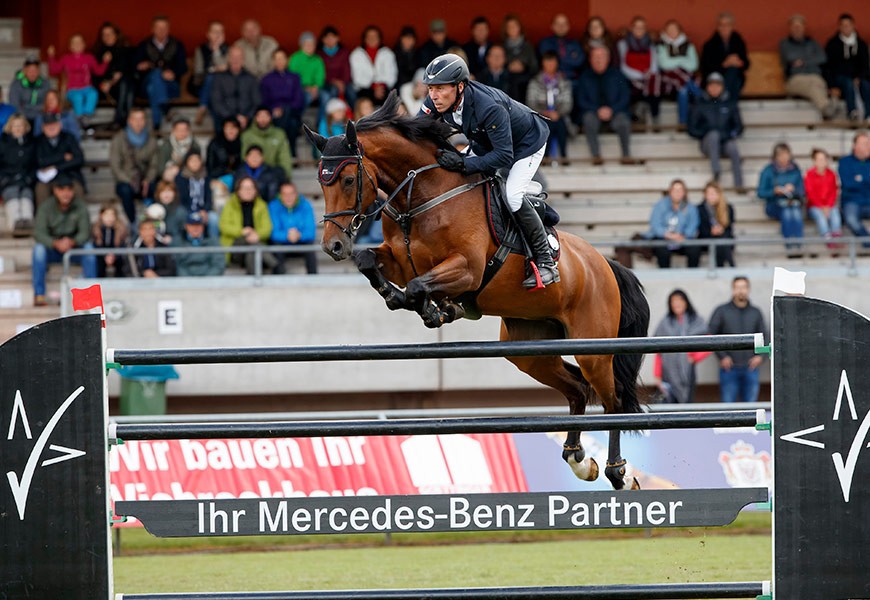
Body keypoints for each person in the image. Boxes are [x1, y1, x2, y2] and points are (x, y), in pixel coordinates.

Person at [418, 53, 557, 287]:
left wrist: (463, 163)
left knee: (512, 196)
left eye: (441, 89)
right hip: (487, 143)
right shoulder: (435, 101)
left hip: (526, 145)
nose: (434, 95)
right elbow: (417, 131)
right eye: (431, 88)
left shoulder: (488, 106)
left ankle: (546, 261)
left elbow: (504, 156)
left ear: (459, 86)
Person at [31, 174, 96, 305]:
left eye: (68, 190)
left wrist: (72, 241)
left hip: (73, 249)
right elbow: (38, 233)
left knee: (89, 249)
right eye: (62, 190)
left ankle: (90, 295)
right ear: (55, 191)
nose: (65, 193)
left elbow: (85, 233)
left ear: (73, 191)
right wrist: (55, 243)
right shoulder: (46, 207)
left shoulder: (81, 206)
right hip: (53, 249)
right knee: (38, 250)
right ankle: (39, 294)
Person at [708, 276, 767, 403]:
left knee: (751, 410)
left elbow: (765, 336)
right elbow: (711, 335)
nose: (741, 291)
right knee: (728, 410)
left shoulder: (756, 312)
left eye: (744, 287)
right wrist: (722, 356)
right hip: (729, 369)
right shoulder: (721, 311)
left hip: (751, 368)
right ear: (733, 290)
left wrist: (761, 357)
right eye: (738, 287)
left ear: (749, 289)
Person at [577, 45, 635, 166]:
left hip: (615, 112)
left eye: (601, 57)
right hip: (594, 113)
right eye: (595, 57)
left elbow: (625, 97)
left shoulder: (617, 75)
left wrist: (612, 110)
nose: (598, 60)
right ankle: (596, 155)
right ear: (590, 59)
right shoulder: (584, 77)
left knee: (624, 121)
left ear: (608, 59)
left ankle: (626, 155)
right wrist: (597, 110)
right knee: (588, 119)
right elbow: (581, 100)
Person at [688, 72, 745, 193]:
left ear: (722, 87)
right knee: (714, 135)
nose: (714, 88)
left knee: (733, 147)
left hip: (724, 141)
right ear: (707, 87)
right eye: (711, 85)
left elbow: (739, 127)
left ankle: (739, 184)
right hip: (707, 143)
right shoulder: (700, 103)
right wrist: (704, 133)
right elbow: (692, 128)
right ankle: (716, 172)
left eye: (717, 85)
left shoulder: (730, 103)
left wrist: (729, 135)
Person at [653, 290, 708, 403]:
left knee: (686, 406)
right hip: (667, 373)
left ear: (686, 302)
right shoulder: (664, 323)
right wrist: (657, 375)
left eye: (680, 300)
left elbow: (709, 342)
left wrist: (695, 358)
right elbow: (658, 350)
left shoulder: (696, 321)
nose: (677, 303)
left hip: (687, 372)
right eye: (673, 301)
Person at [135, 15, 187, 130]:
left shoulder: (177, 45)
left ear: (168, 29)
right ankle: (164, 108)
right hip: (145, 86)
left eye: (164, 28)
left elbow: (183, 67)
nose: (161, 31)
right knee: (156, 75)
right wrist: (143, 65)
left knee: (153, 88)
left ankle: (157, 123)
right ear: (152, 29)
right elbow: (135, 66)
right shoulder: (144, 45)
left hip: (171, 87)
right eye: (158, 28)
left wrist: (173, 73)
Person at [780, 15, 836, 120]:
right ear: (790, 28)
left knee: (816, 82)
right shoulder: (785, 44)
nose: (797, 29)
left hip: (815, 77)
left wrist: (804, 61)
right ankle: (826, 107)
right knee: (815, 85)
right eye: (794, 26)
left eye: (799, 26)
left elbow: (822, 57)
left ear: (804, 27)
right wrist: (811, 59)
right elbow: (790, 57)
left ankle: (826, 109)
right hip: (795, 79)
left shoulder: (812, 43)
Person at [109, 107, 158, 224]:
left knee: (156, 189)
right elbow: (115, 166)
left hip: (144, 180)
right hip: (126, 180)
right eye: (135, 119)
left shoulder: (151, 140)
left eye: (141, 119)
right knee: (125, 191)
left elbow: (154, 164)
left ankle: (153, 221)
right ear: (129, 121)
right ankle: (133, 222)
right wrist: (128, 180)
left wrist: (148, 179)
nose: (138, 122)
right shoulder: (119, 139)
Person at [219, 175, 274, 274]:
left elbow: (267, 228)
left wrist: (257, 235)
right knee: (251, 244)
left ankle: (252, 277)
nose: (248, 191)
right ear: (238, 191)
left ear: (255, 191)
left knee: (252, 250)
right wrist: (242, 231)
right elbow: (224, 226)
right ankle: (274, 264)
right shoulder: (230, 204)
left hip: (255, 244)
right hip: (235, 246)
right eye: (244, 188)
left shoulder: (262, 205)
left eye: (250, 188)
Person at [47, 33, 109, 118]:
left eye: (80, 42)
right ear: (70, 46)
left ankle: (87, 115)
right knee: (78, 98)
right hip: (72, 89)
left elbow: (99, 71)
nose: (77, 45)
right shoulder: (66, 58)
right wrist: (51, 56)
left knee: (93, 94)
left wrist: (105, 62)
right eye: (74, 43)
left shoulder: (89, 58)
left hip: (87, 88)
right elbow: (54, 70)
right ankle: (79, 118)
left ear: (84, 45)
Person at [757, 142, 805, 250]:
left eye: (786, 154)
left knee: (796, 212)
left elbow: (802, 190)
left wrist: (794, 189)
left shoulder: (795, 170)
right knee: (787, 212)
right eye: (780, 155)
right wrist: (774, 191)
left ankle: (798, 242)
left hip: (792, 202)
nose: (783, 158)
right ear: (775, 157)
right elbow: (760, 192)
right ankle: (789, 243)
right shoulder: (768, 171)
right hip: (774, 203)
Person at [526, 51, 572, 163]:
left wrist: (558, 113)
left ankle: (564, 156)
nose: (550, 65)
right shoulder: (535, 82)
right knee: (547, 124)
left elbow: (568, 103)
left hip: (559, 116)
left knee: (560, 124)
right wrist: (544, 112)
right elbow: (530, 103)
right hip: (541, 116)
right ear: (543, 63)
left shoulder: (563, 82)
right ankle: (544, 157)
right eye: (547, 62)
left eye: (553, 62)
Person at [538, 14, 584, 124]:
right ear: (552, 26)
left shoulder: (575, 43)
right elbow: (548, 62)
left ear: (568, 26)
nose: (561, 27)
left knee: (579, 88)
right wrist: (568, 59)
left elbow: (579, 61)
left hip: (571, 79)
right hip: (550, 80)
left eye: (564, 24)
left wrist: (559, 60)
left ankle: (574, 124)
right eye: (558, 24)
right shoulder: (545, 42)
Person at [617, 16, 662, 128]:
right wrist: (639, 76)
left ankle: (654, 117)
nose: (639, 30)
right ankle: (635, 115)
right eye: (636, 27)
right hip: (630, 76)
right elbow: (623, 66)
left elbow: (654, 64)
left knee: (655, 81)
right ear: (631, 28)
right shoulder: (623, 44)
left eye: (642, 27)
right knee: (633, 85)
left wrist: (648, 74)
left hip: (647, 76)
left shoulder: (651, 44)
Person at [824, 14, 870, 121]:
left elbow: (865, 65)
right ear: (839, 27)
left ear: (853, 26)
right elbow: (828, 67)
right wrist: (831, 85)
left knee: (866, 85)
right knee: (848, 84)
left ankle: (868, 115)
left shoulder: (861, 44)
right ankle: (852, 112)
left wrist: (859, 77)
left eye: (848, 25)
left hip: (859, 77)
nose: (846, 28)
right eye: (843, 25)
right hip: (840, 77)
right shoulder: (832, 44)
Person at [646, 179, 701, 268]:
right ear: (670, 191)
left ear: (684, 192)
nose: (677, 193)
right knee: (661, 248)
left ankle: (692, 274)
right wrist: (668, 235)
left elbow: (693, 226)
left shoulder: (690, 207)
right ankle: (664, 275)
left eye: (680, 190)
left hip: (683, 239)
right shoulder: (660, 205)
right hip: (664, 239)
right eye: (675, 190)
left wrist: (683, 236)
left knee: (694, 249)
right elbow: (655, 225)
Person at [261, 48, 305, 156]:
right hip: (274, 115)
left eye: (282, 58)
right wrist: (273, 110)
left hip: (291, 112)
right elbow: (264, 101)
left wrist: (284, 109)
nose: (279, 62)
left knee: (291, 120)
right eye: (276, 59)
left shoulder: (295, 78)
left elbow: (299, 100)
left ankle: (281, 152)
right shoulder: (266, 79)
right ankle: (291, 154)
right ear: (272, 61)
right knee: (290, 123)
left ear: (287, 60)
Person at [34, 112, 85, 205]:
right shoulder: (38, 141)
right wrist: (62, 157)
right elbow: (39, 162)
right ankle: (43, 218)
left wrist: (56, 167)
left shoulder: (69, 138)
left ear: (60, 125)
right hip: (48, 179)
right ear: (43, 128)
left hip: (69, 174)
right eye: (48, 126)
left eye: (54, 125)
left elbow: (79, 159)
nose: (51, 128)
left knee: (77, 189)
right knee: (40, 189)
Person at [91, 22, 134, 128]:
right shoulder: (96, 53)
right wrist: (105, 84)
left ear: (116, 35)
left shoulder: (126, 51)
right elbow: (94, 76)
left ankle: (119, 118)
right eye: (104, 34)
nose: (107, 37)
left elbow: (129, 71)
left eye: (110, 34)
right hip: (106, 90)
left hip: (123, 86)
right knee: (128, 88)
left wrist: (114, 80)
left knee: (127, 84)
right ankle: (126, 120)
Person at [268, 181, 317, 274]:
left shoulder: (305, 205)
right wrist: (287, 235)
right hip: (282, 243)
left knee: (310, 247)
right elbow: (273, 233)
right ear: (280, 195)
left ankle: (314, 279)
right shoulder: (273, 206)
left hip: (300, 241)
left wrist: (299, 235)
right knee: (276, 247)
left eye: (291, 194)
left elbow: (311, 232)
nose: (288, 197)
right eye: (285, 194)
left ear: (296, 194)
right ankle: (278, 280)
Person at [657, 20, 699, 126]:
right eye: (669, 29)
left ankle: (683, 122)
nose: (671, 32)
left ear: (679, 31)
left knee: (683, 90)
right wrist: (682, 60)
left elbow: (693, 65)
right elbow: (664, 64)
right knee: (686, 87)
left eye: (674, 29)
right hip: (669, 81)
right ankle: (704, 98)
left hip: (685, 80)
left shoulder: (689, 45)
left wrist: (674, 62)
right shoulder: (661, 45)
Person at [0, 113, 36, 236]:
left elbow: (35, 165)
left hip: (26, 181)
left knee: (26, 197)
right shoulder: (3, 144)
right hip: (7, 181)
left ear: (25, 127)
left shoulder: (31, 144)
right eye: (15, 126)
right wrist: (3, 179)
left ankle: (27, 224)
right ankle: (15, 225)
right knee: (12, 196)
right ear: (10, 128)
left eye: (21, 125)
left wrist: (30, 178)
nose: (18, 128)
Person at [700, 12, 750, 100]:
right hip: (715, 80)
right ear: (717, 27)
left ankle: (725, 100)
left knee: (734, 72)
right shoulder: (709, 44)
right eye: (721, 25)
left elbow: (746, 63)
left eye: (727, 25)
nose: (724, 28)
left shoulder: (738, 41)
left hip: (735, 77)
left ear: (732, 26)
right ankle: (730, 107)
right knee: (732, 80)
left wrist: (738, 62)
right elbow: (705, 67)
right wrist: (725, 64)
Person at [210, 45, 260, 131]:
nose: (236, 60)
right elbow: (216, 101)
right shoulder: (219, 78)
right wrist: (232, 118)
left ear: (243, 59)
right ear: (228, 59)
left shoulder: (251, 79)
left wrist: (247, 117)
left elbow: (257, 102)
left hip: (247, 120)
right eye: (233, 57)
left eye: (239, 57)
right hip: (225, 119)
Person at [190, 21, 229, 126]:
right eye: (214, 32)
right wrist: (214, 70)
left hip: (223, 87)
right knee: (211, 79)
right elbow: (198, 71)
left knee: (215, 84)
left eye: (220, 32)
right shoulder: (201, 50)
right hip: (203, 85)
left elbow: (226, 69)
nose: (217, 35)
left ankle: (202, 107)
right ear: (208, 34)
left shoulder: (228, 49)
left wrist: (216, 51)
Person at [175, 150, 218, 240]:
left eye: (197, 160)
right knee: (180, 213)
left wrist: (205, 210)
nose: (195, 163)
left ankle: (213, 244)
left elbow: (208, 197)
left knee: (214, 218)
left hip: (202, 210)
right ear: (187, 162)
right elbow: (181, 199)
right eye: (192, 160)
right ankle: (180, 241)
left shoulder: (206, 176)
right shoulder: (181, 177)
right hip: (187, 208)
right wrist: (193, 211)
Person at [241, 106, 293, 180]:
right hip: (253, 174)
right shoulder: (247, 135)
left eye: (265, 116)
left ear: (270, 117)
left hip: (273, 174)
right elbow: (244, 157)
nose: (263, 119)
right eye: (260, 116)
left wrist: (287, 176)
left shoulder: (279, 134)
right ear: (255, 118)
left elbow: (285, 158)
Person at [350, 26, 397, 104]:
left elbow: (392, 76)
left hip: (383, 87)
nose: (372, 38)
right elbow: (357, 78)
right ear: (364, 39)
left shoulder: (387, 53)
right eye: (369, 36)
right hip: (364, 88)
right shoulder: (356, 54)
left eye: (375, 36)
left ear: (379, 38)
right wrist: (373, 87)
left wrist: (379, 85)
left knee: (388, 95)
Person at [317, 26, 355, 123]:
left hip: (344, 82)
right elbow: (320, 73)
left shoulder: (344, 52)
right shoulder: (319, 54)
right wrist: (334, 81)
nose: (330, 40)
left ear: (337, 38)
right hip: (327, 83)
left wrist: (342, 82)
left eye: (332, 37)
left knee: (351, 90)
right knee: (333, 90)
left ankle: (356, 118)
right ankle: (329, 122)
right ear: (323, 40)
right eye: (327, 38)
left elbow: (347, 69)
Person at [804, 148, 842, 245]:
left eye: (824, 159)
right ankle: (827, 237)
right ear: (814, 161)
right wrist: (821, 206)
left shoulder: (832, 174)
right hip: (814, 206)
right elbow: (810, 194)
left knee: (835, 213)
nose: (822, 162)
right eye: (819, 159)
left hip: (829, 205)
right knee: (820, 216)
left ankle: (836, 236)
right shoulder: (809, 175)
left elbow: (834, 192)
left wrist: (828, 205)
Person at [838, 131, 870, 241]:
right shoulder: (845, 162)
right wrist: (866, 180)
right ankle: (867, 241)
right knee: (851, 219)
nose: (868, 146)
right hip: (852, 202)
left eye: (868, 143)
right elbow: (848, 184)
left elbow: (856, 182)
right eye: (865, 144)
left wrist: (859, 179)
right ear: (854, 146)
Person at [174, 211, 225, 277]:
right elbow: (176, 265)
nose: (196, 228)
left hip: (209, 282)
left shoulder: (213, 241)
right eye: (192, 225)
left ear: (203, 226)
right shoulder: (178, 242)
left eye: (198, 225)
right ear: (186, 226)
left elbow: (218, 264)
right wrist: (188, 281)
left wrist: (206, 280)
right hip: (184, 282)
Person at [697, 181, 735, 267]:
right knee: (721, 243)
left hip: (724, 238)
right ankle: (732, 265)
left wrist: (721, 229)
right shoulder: (700, 209)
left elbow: (729, 228)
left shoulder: (728, 208)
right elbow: (701, 229)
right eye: (709, 193)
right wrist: (711, 231)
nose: (711, 196)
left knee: (722, 240)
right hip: (707, 238)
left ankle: (722, 267)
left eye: (713, 193)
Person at [501, 14, 537, 102]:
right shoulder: (502, 47)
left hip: (525, 80)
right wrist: (508, 67)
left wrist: (523, 67)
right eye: (509, 27)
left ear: (520, 28)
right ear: (505, 30)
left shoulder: (528, 47)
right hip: (507, 79)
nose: (512, 29)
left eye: (515, 26)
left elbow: (535, 68)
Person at [155, 116, 200, 183]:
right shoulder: (166, 145)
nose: (182, 132)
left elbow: (198, 165)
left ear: (189, 131)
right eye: (179, 130)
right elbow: (160, 168)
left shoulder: (194, 145)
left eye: (185, 130)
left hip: (189, 176)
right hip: (170, 177)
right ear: (173, 130)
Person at [8, 56, 52, 122]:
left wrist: (26, 106)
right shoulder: (16, 84)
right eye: (29, 70)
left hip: (41, 117)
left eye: (35, 70)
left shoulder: (45, 83)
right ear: (24, 70)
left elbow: (47, 103)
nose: (32, 73)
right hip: (22, 117)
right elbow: (15, 104)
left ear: (39, 71)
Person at [289, 32, 326, 110]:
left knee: (326, 96)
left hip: (316, 88)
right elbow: (292, 77)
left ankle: (322, 121)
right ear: (302, 45)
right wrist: (306, 88)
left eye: (313, 44)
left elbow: (320, 77)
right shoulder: (295, 58)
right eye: (307, 44)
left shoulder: (318, 60)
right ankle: (303, 121)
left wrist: (316, 87)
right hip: (300, 89)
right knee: (307, 97)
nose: (310, 47)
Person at [91, 203, 128, 277]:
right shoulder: (96, 229)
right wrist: (105, 256)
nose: (109, 218)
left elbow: (122, 245)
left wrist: (113, 256)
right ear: (101, 215)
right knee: (98, 262)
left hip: (116, 255)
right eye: (106, 215)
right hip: (101, 255)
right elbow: (96, 245)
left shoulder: (121, 229)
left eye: (112, 215)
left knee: (121, 261)